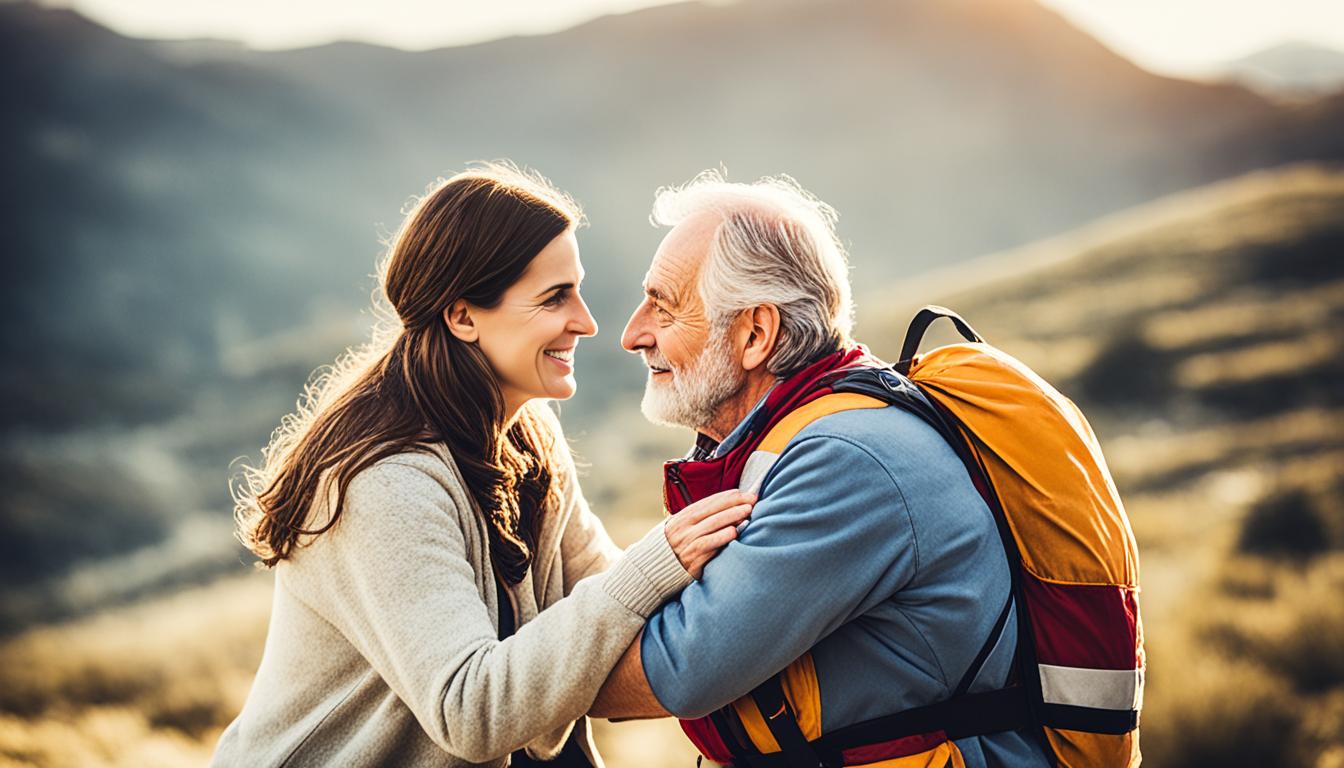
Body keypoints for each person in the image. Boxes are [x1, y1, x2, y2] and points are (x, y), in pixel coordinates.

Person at [211, 163, 753, 768]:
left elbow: (604, 596)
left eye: (577, 288)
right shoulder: (384, 482)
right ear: (463, 315)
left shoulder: (527, 437)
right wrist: (656, 564)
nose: (588, 322)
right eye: (555, 297)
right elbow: (470, 711)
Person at [590, 171, 1052, 767]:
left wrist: (507, 684)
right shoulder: (813, 435)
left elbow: (680, 670)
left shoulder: (849, 461)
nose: (633, 334)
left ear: (755, 333)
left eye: (664, 306)